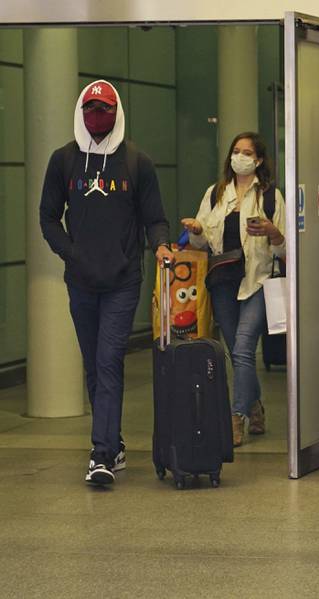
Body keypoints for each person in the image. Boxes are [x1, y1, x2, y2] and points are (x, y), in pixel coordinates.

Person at [39, 80, 173, 485]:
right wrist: (71, 251)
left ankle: (100, 455)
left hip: (122, 280)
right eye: (92, 108)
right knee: (94, 369)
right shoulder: (63, 161)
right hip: (80, 281)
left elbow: (154, 218)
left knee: (108, 361)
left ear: (117, 113)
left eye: (106, 109)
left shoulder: (136, 162)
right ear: (81, 111)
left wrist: (162, 246)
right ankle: (112, 443)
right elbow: (47, 216)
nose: (98, 116)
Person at [181, 132, 286, 447]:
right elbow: (201, 242)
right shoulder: (215, 194)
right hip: (223, 281)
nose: (239, 157)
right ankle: (255, 407)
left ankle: (236, 417)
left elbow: (284, 249)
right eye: (235, 151)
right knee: (234, 352)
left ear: (258, 160)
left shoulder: (270, 196)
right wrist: (197, 230)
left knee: (242, 349)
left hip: (257, 280)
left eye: (247, 152)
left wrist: (273, 232)